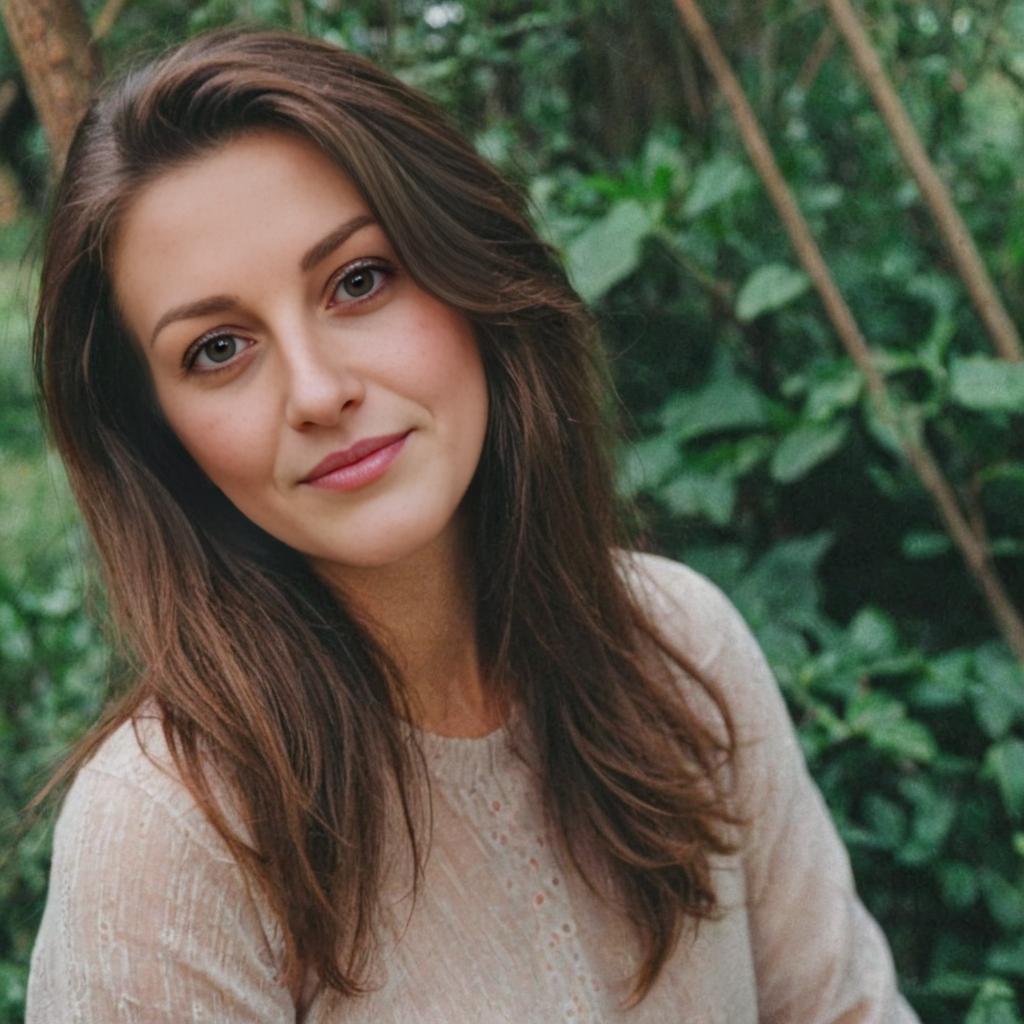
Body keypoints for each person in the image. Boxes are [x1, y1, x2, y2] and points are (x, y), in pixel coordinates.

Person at [25, 27, 920, 1023]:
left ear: (471, 277)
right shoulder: (170, 837)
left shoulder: (681, 648)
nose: (318, 392)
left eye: (357, 282)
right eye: (219, 348)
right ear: (158, 440)